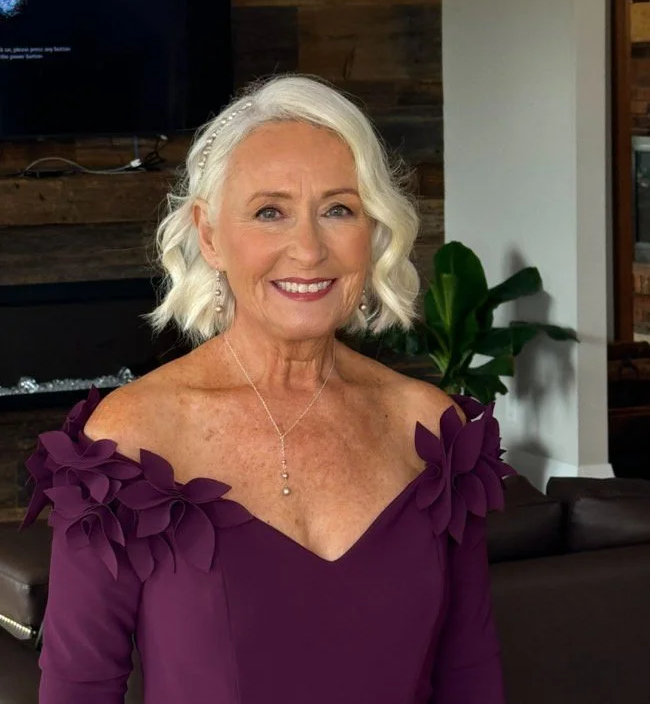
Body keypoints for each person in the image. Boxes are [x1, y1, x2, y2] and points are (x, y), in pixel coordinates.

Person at [20, 74, 516, 704]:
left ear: (372, 231)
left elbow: (470, 673)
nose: (308, 250)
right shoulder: (129, 440)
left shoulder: (434, 431)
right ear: (208, 235)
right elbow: (80, 689)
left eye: (338, 209)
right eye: (269, 212)